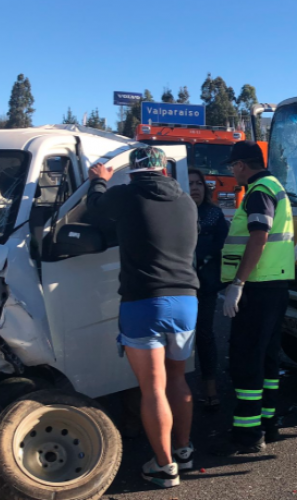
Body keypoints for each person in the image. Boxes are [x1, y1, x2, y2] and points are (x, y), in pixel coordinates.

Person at [86, 147, 199, 488]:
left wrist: (98, 182)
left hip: (144, 302)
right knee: (178, 379)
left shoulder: (126, 195)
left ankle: (164, 468)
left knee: (152, 389)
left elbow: (94, 211)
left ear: (133, 172)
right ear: (163, 170)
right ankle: (184, 451)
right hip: (186, 300)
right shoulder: (186, 202)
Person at [219, 141, 295, 453]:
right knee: (266, 359)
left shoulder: (259, 190)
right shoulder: (275, 185)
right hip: (273, 287)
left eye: (232, 167)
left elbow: (258, 237)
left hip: (257, 287)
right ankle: (269, 423)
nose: (232, 173)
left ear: (240, 165)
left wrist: (238, 282)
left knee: (246, 360)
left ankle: (247, 435)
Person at [188, 168, 229, 409]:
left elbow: (221, 245)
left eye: (199, 184)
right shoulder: (176, 213)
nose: (194, 188)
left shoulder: (214, 214)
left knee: (204, 335)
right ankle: (178, 389)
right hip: (179, 286)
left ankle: (209, 387)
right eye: (190, 183)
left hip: (205, 285)